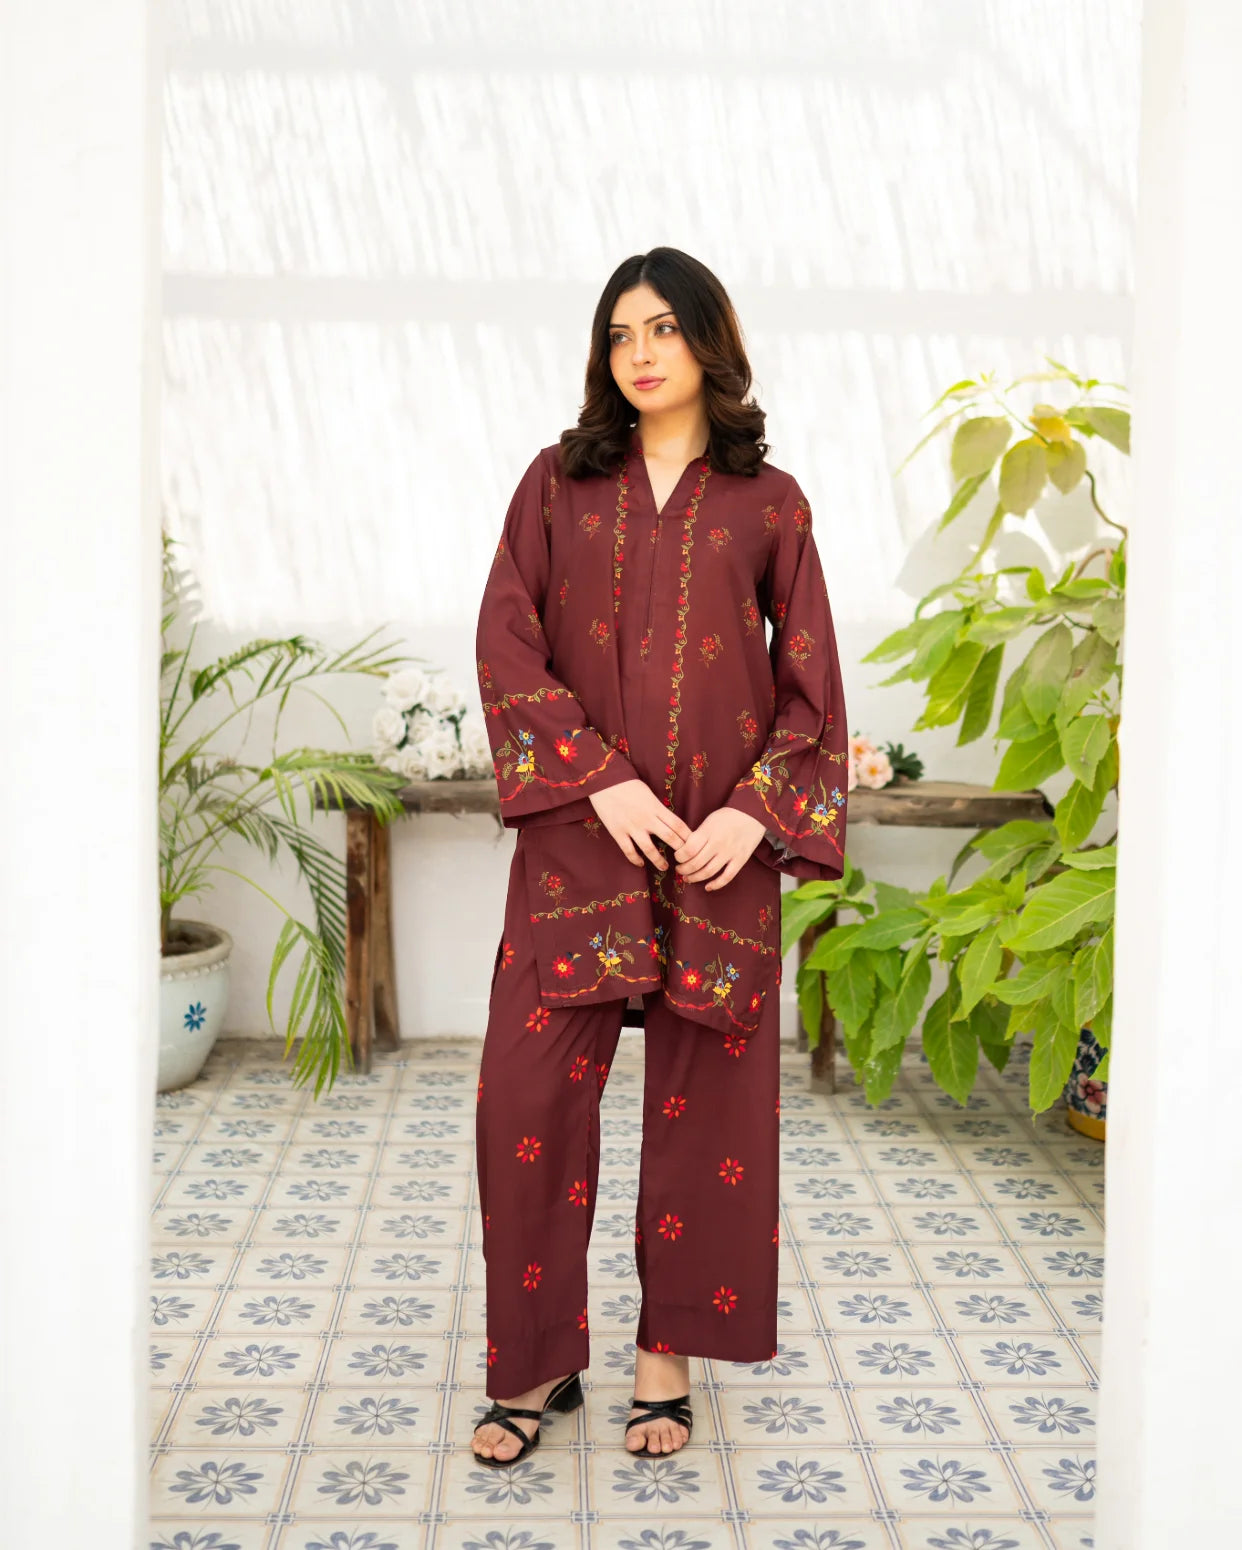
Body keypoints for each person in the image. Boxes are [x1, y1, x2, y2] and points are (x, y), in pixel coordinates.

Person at [469, 246, 849, 1468]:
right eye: (620, 331)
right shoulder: (556, 484)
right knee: (524, 1094)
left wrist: (761, 811)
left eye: (664, 329)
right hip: (584, 840)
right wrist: (602, 775)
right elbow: (507, 646)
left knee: (708, 1103)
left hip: (718, 852)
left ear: (706, 345)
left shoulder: (770, 502)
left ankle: (665, 1355)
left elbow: (813, 693)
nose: (640, 350)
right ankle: (533, 1362)